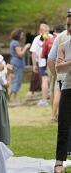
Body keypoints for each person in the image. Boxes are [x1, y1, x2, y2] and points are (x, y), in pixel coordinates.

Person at [54, 9, 71, 173]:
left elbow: (63, 65)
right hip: (68, 87)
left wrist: (67, 63)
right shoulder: (63, 46)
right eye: (68, 25)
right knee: (64, 125)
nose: (69, 28)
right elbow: (59, 68)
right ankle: (59, 162)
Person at [42, 25, 65, 121]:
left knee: (53, 91)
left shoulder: (49, 40)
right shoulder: (65, 38)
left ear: (55, 32)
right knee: (59, 91)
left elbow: (44, 55)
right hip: (63, 67)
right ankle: (57, 114)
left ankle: (53, 114)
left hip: (52, 67)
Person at [29, 24, 51, 105]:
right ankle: (53, 97)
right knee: (52, 80)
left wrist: (34, 65)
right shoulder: (52, 37)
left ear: (40, 31)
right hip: (51, 61)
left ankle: (44, 100)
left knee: (44, 80)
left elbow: (33, 53)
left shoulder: (37, 38)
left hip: (42, 62)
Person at [9, 28, 31, 101]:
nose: (23, 36)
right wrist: (26, 47)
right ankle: (12, 98)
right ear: (18, 35)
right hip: (17, 64)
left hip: (16, 64)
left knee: (16, 80)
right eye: (21, 35)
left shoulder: (13, 42)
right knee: (17, 81)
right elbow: (20, 54)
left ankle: (11, 96)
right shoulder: (16, 43)